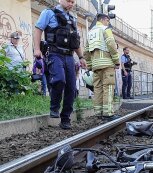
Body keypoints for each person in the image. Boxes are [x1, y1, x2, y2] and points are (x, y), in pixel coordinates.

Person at [33, 0, 87, 130]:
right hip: (54, 54)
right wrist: (36, 49)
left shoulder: (72, 18)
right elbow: (38, 29)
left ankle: (66, 118)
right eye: (68, 0)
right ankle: (54, 107)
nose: (71, 3)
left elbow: (75, 42)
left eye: (73, 1)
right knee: (59, 80)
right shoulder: (48, 13)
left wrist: (81, 57)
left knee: (71, 88)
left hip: (69, 56)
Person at [84, 13, 120, 120]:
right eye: (108, 21)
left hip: (95, 66)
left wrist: (90, 65)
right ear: (104, 20)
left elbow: (86, 50)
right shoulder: (105, 29)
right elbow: (112, 46)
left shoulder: (90, 32)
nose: (108, 23)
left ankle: (98, 112)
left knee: (97, 88)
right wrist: (116, 61)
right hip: (107, 64)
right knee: (108, 87)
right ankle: (108, 113)